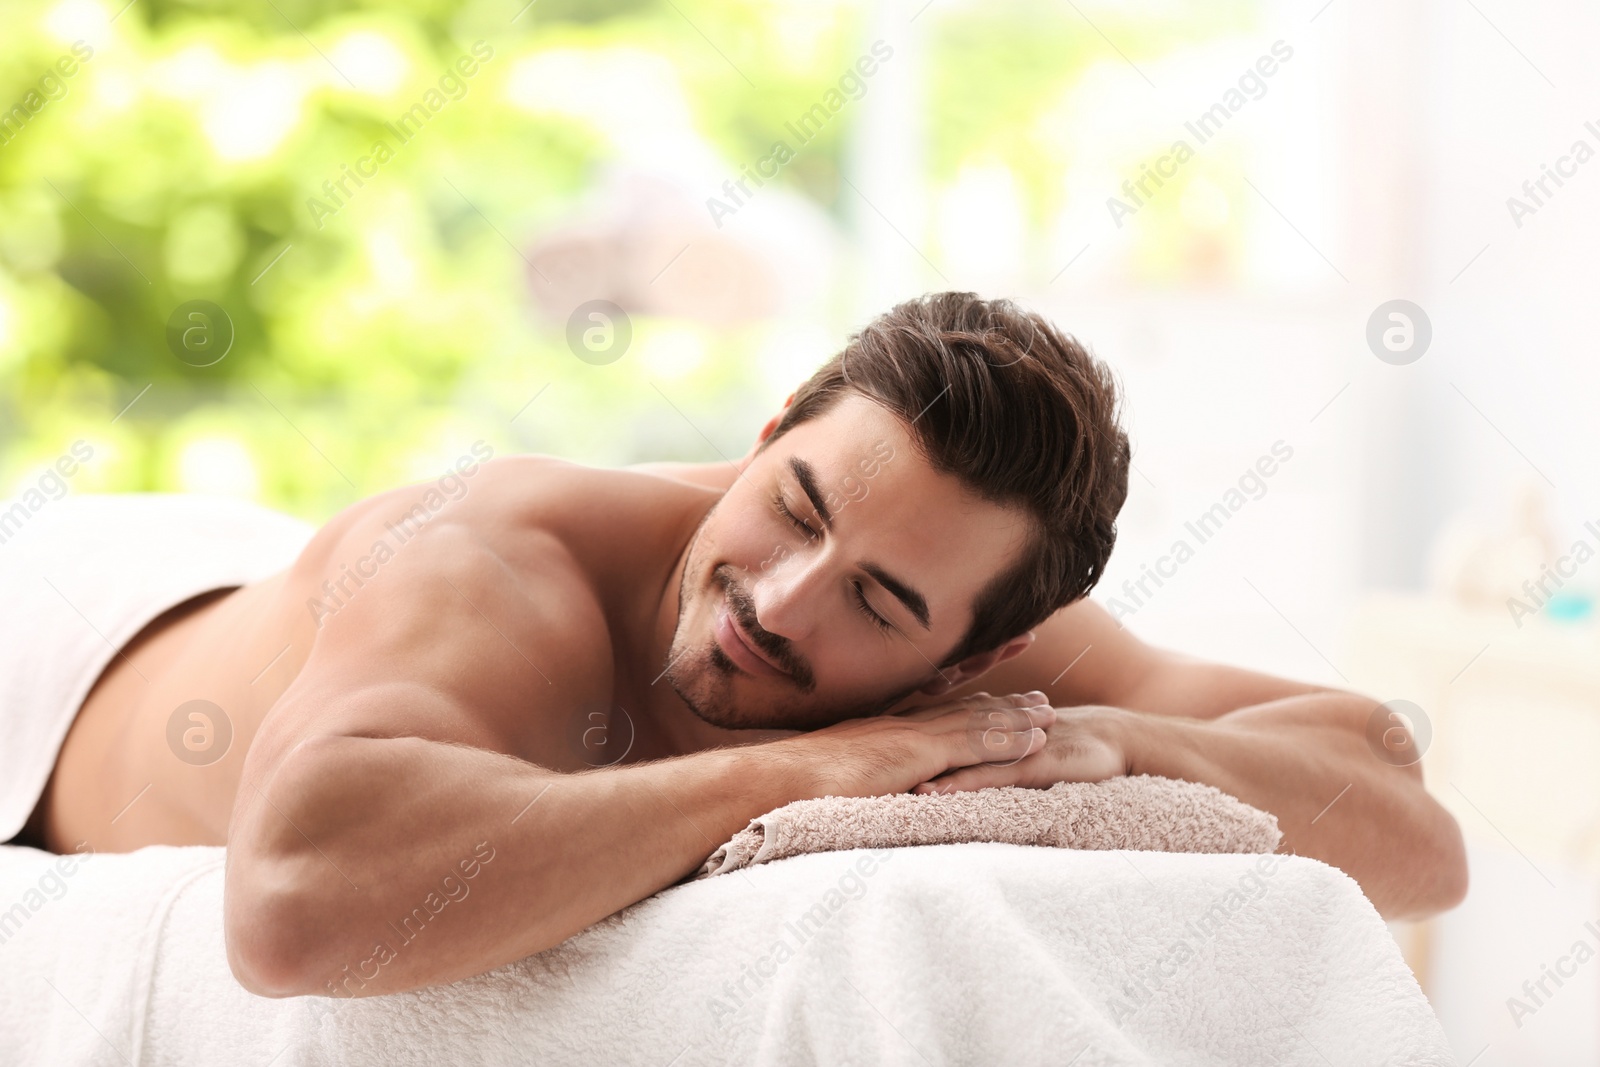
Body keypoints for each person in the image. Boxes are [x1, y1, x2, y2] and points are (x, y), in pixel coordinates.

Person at [10, 292, 1466, 999]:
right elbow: (293, 912)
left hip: (266, 583)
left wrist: (1129, 740)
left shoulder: (989, 636)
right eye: (792, 505)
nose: (785, 599)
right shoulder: (497, 563)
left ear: (974, 656)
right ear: (763, 437)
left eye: (884, 606)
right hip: (68, 635)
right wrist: (824, 770)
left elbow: (1407, 817)